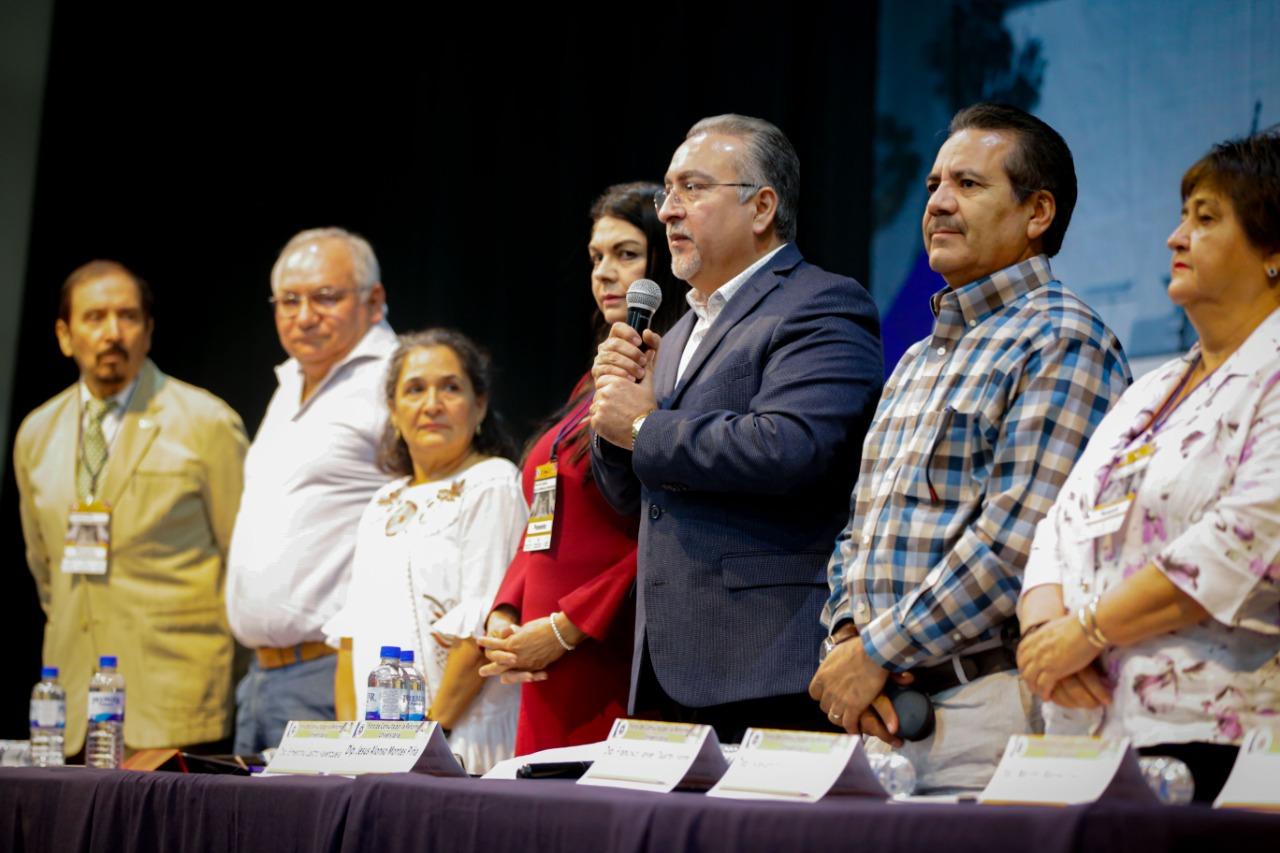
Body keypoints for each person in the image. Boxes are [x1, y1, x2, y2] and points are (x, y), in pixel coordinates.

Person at [810, 103, 1131, 793]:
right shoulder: (917, 359)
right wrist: (844, 641)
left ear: (1037, 212)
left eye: (968, 184)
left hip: (989, 712)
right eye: (932, 186)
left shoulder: (1063, 338)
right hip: (882, 713)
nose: (939, 203)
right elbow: (857, 533)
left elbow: (1016, 543)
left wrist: (874, 649)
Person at [589, 114, 884, 743]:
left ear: (762, 207)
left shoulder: (820, 304)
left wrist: (641, 426)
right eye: (668, 191)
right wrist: (615, 428)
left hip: (768, 663)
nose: (668, 210)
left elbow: (794, 449)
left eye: (692, 189)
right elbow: (633, 500)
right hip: (665, 665)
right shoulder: (674, 334)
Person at [1017, 130, 1280, 803]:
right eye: (1182, 214)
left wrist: (1089, 631)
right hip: (1085, 731)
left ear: (1274, 252)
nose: (1175, 236)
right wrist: (1048, 634)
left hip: (1213, 746)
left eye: (1205, 218)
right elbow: (1057, 525)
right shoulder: (1150, 389)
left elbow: (1247, 535)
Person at [477, 182, 684, 755]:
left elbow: (669, 530)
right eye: (597, 258)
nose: (605, 273)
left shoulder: (674, 372)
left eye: (625, 254)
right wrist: (507, 609)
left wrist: (569, 628)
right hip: (543, 658)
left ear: (662, 260)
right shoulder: (591, 381)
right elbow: (545, 511)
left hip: (608, 652)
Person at [14, 260, 247, 756]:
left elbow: (244, 562)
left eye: (128, 317)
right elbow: (45, 568)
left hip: (174, 693)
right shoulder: (36, 433)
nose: (112, 333)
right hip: (71, 702)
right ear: (64, 334)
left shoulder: (205, 422)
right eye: (94, 318)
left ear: (148, 330)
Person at [226, 227, 396, 755]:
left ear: (374, 301)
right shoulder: (289, 381)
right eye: (289, 301)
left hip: (330, 675)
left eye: (326, 297)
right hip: (259, 678)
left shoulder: (399, 378)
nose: (304, 315)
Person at [324, 329, 526, 773]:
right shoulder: (383, 501)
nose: (432, 404)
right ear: (394, 412)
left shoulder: (493, 483)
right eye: (414, 390)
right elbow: (350, 639)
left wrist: (424, 744)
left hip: (456, 743)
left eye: (450, 387)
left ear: (480, 406)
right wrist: (347, 749)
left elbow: (481, 630)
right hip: (376, 753)